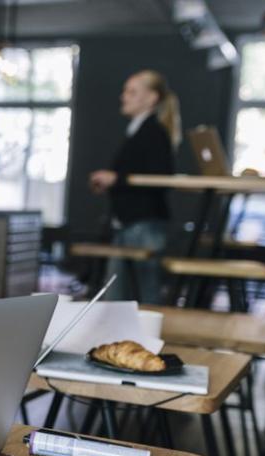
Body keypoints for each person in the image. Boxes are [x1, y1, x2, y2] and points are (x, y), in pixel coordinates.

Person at [89, 70, 180, 304]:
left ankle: (142, 342)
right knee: (117, 299)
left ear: (151, 98)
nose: (124, 97)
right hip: (129, 224)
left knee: (144, 299)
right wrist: (113, 182)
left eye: (131, 92)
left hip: (143, 226)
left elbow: (161, 176)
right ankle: (117, 341)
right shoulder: (139, 130)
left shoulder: (153, 132)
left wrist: (116, 179)